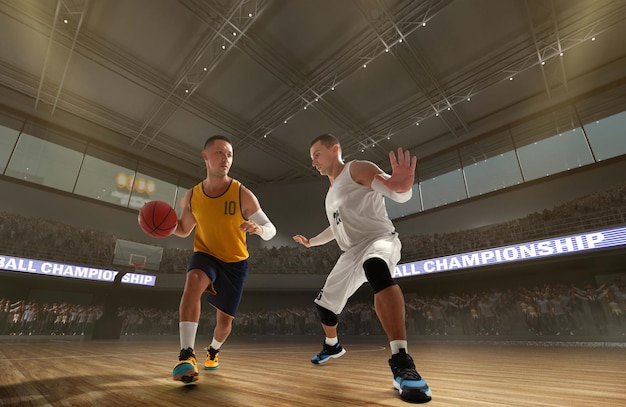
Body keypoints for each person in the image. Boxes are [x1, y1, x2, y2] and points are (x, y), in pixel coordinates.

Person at [293, 133, 432, 403]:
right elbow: (334, 230)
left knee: (376, 267)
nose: (313, 162)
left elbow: (395, 190)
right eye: (311, 159)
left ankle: (402, 363)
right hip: (351, 251)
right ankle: (332, 346)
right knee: (325, 305)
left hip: (379, 239)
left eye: (317, 155)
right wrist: (312, 242)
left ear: (335, 149)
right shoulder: (330, 193)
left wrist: (404, 186)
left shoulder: (357, 168)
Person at [171, 135, 276, 384]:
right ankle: (186, 355)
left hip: (235, 263)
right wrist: (162, 227)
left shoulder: (242, 193)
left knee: (224, 323)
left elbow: (271, 229)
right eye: (219, 153)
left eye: (229, 154)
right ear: (205, 156)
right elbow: (184, 229)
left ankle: (213, 350)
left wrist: (259, 229)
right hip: (206, 254)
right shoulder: (193, 195)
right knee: (193, 282)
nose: (225, 159)